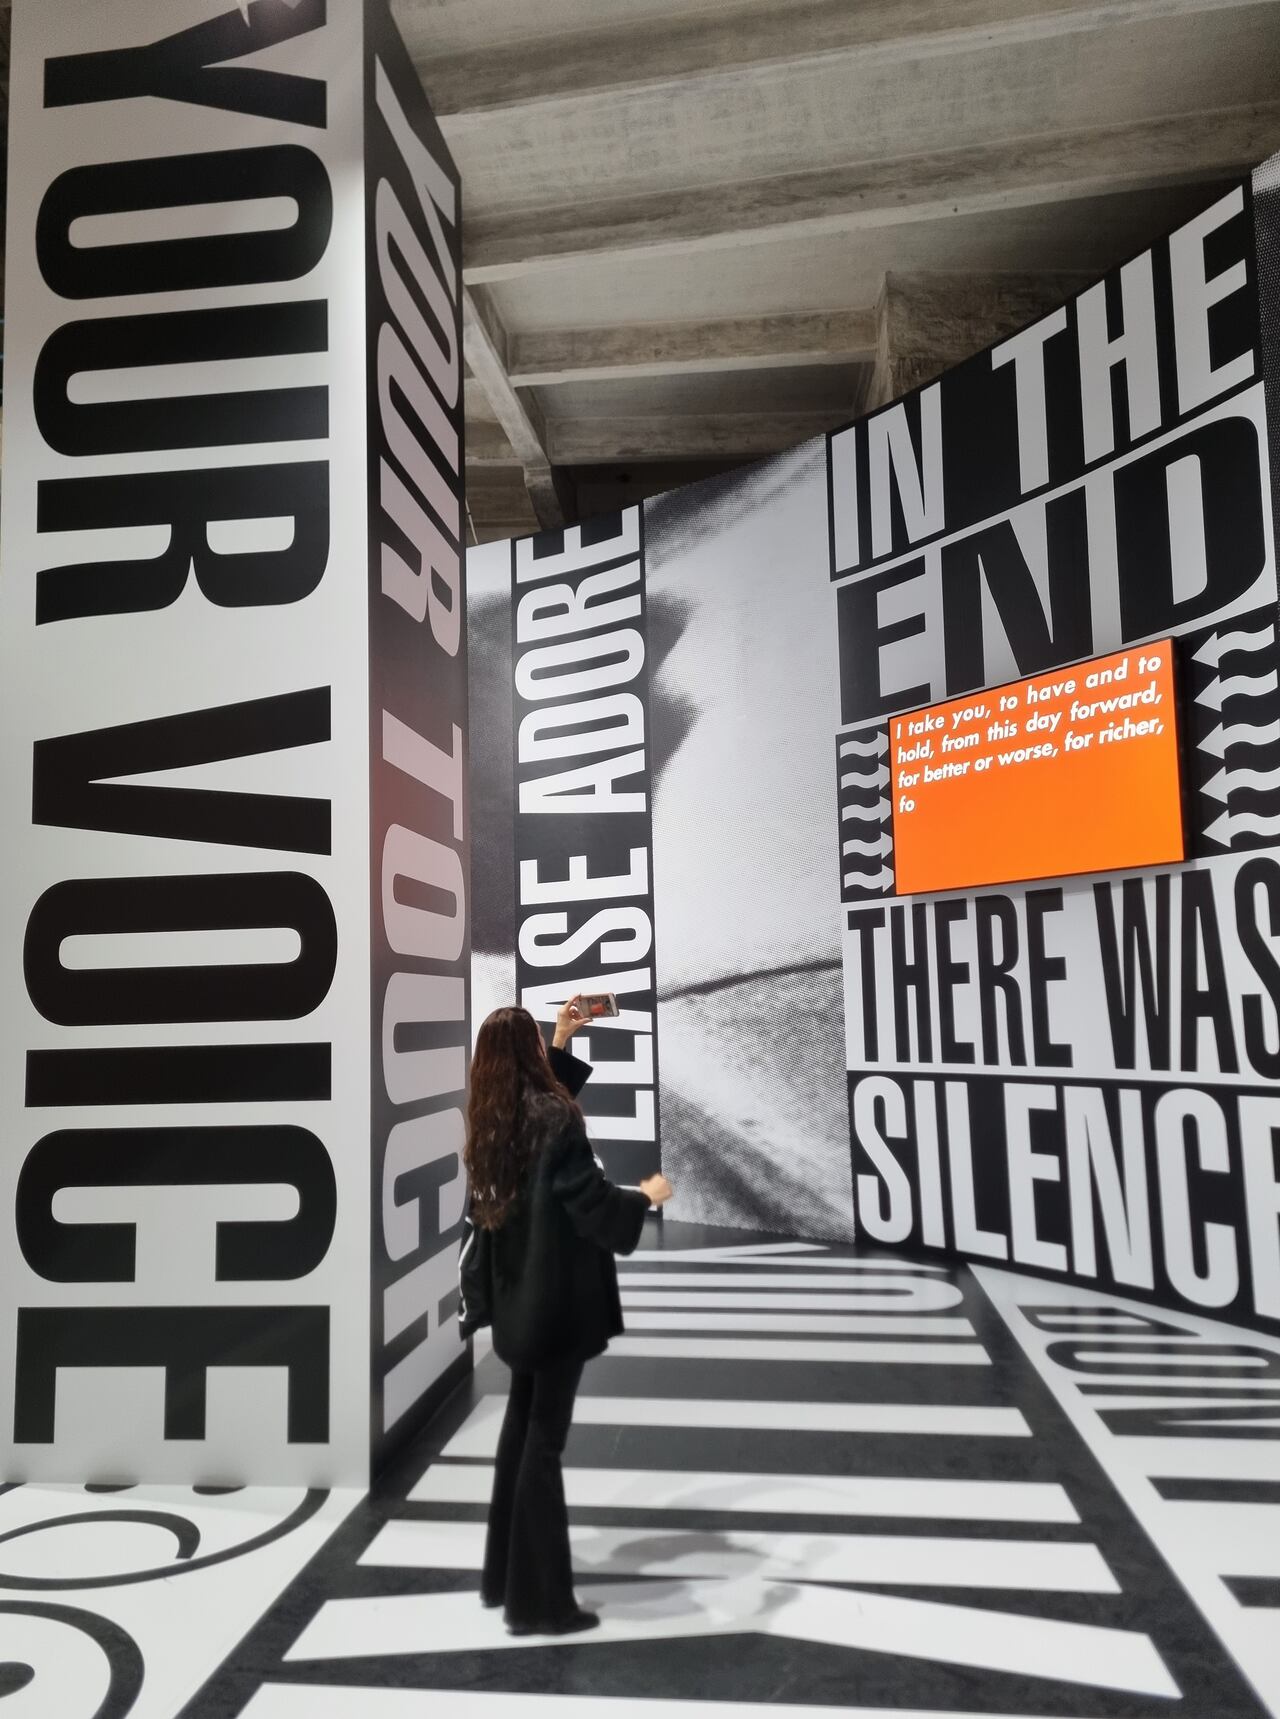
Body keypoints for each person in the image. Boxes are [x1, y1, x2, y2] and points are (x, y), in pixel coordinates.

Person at [457, 995, 674, 1637]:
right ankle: (540, 1605)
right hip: (556, 1307)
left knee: (521, 1432)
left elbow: (542, 1123)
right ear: (528, 1055)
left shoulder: (492, 1118)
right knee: (543, 1445)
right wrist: (646, 1197)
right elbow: (590, 1203)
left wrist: (560, 1038)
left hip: (516, 1307)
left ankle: (503, 1581)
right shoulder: (552, 1118)